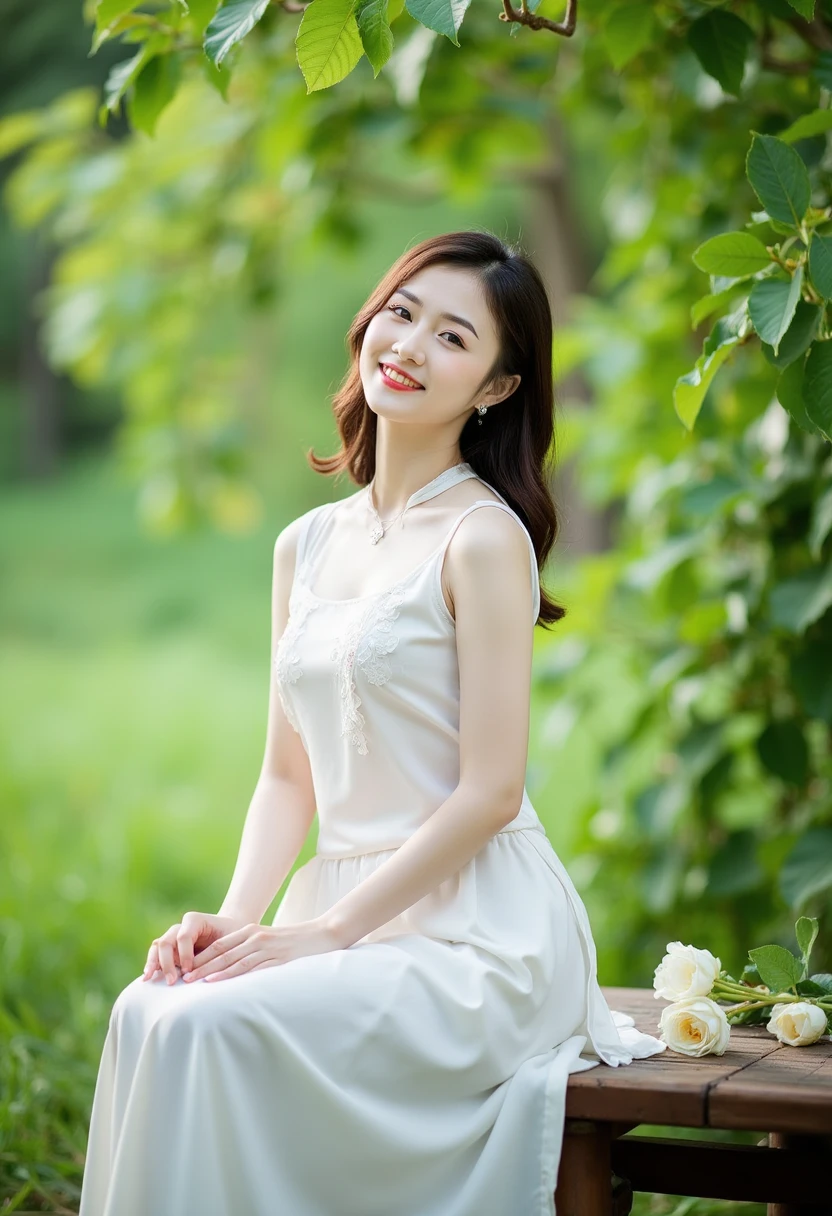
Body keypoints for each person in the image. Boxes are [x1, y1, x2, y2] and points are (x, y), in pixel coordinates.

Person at [78, 228, 665, 1216]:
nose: (409, 346)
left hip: (477, 933)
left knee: (208, 1030)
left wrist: (328, 936)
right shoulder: (304, 545)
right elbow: (285, 777)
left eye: (452, 337)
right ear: (368, 323)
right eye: (402, 314)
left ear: (496, 387)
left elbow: (492, 791)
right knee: (154, 1009)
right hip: (339, 909)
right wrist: (240, 919)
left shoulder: (485, 538)